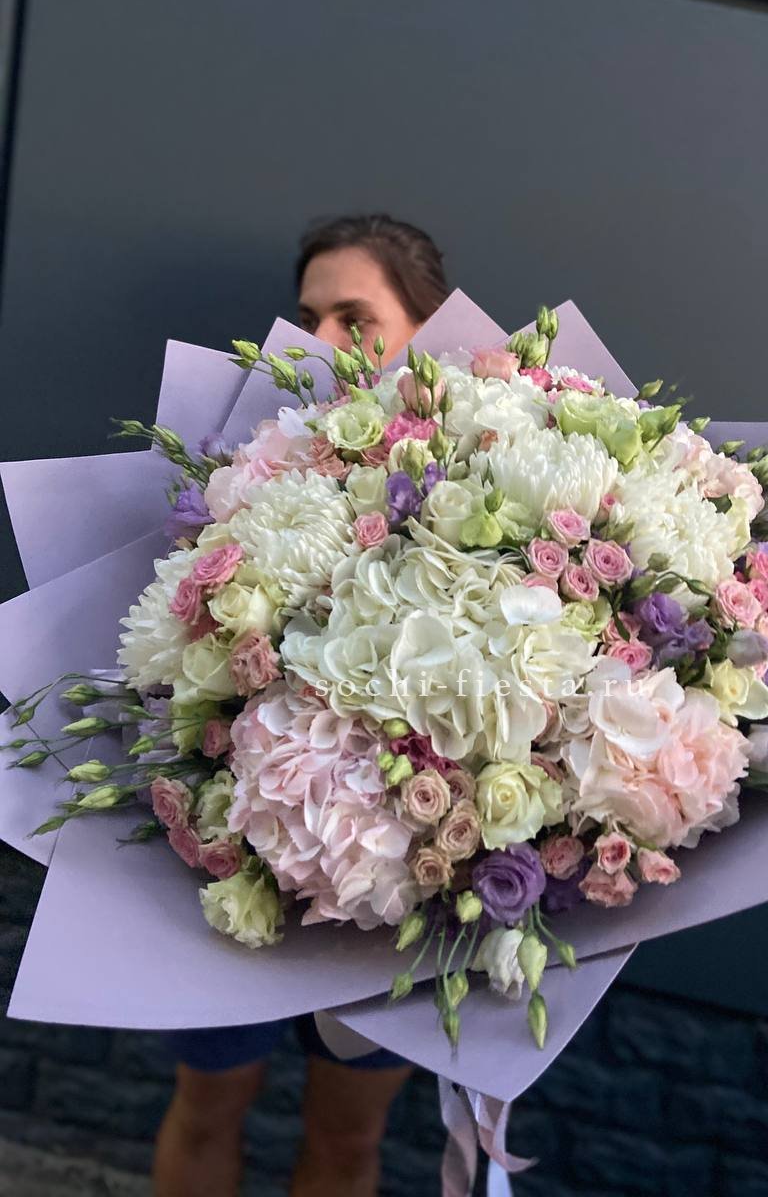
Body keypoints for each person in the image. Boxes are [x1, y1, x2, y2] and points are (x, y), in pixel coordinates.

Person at [152, 214, 451, 1197]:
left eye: (353, 318)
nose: (318, 341)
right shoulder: (248, 468)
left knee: (347, 1137)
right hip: (238, 857)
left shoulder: (479, 473)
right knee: (206, 1105)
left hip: (396, 884)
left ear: (429, 327)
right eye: (308, 315)